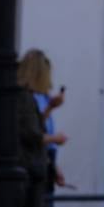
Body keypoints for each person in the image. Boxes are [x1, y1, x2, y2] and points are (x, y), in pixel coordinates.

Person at [18, 49, 69, 188]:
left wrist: (54, 166)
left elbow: (37, 126)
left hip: (41, 159)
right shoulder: (26, 98)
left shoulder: (38, 97)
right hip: (31, 164)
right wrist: (55, 139)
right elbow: (33, 133)